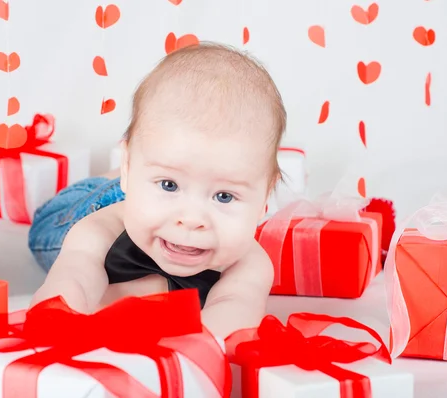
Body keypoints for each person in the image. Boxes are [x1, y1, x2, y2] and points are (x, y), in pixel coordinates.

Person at [28, 42, 287, 338]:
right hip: (82, 209)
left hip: (143, 189)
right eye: (170, 185)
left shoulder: (250, 262)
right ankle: (116, 178)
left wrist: (193, 352)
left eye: (223, 196)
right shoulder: (96, 231)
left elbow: (235, 315)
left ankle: (151, 175)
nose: (191, 219)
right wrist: (59, 322)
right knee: (73, 227)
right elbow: (72, 279)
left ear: (265, 200)